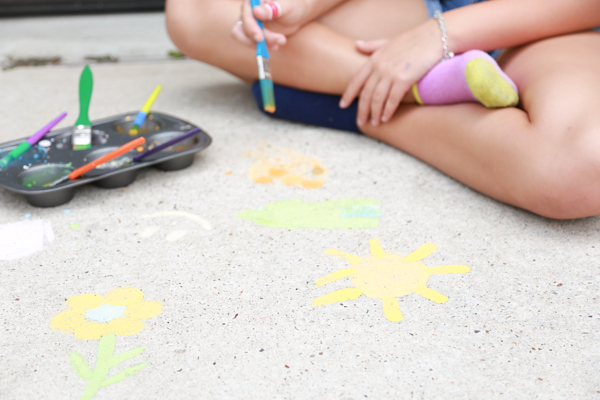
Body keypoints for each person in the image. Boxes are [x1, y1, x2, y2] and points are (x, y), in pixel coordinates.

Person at [165, 0, 600, 219]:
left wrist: (441, 35)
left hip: (553, 21)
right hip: (414, 8)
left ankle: (353, 103)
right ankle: (422, 88)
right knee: (194, 8)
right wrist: (304, 6)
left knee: (581, 166)